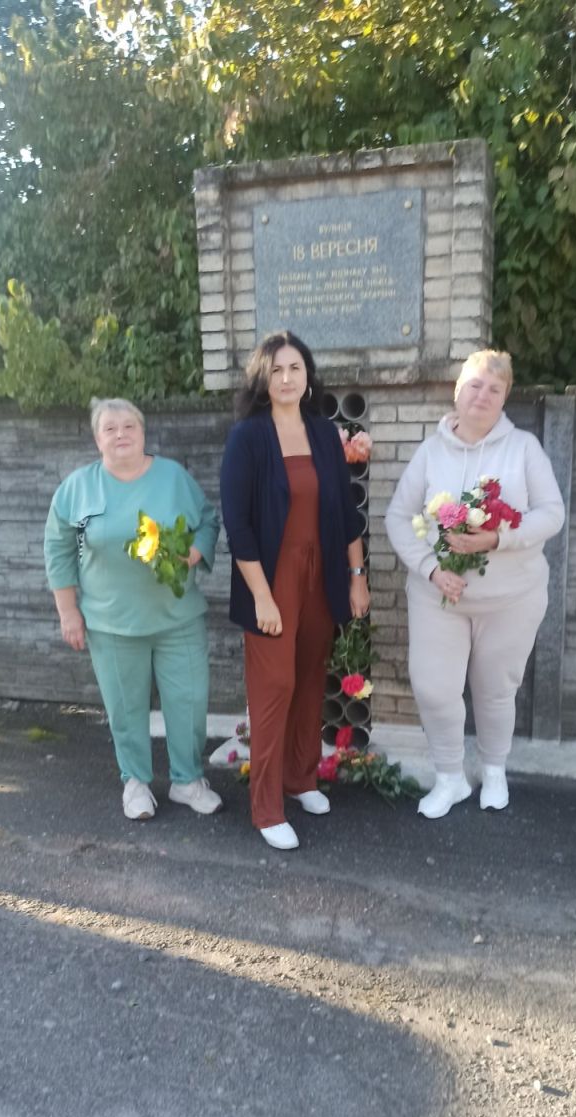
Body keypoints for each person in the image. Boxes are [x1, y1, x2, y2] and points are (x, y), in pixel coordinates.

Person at [385, 349, 565, 818]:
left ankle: (494, 770)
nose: (483, 395)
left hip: (511, 599)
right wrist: (430, 568)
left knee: (496, 689)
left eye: (495, 388)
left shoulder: (524, 448)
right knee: (433, 687)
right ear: (457, 391)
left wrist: (498, 538)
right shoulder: (430, 451)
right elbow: (398, 517)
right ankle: (450, 778)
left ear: (505, 398)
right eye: (475, 385)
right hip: (439, 597)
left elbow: (552, 513)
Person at [220, 331, 369, 851]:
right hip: (270, 577)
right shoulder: (248, 437)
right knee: (274, 687)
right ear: (262, 378)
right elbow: (237, 523)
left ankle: (301, 778)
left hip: (321, 574)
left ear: (308, 378)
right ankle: (266, 808)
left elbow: (345, 511)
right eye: (276, 369)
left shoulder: (324, 434)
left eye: (295, 368)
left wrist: (357, 576)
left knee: (309, 679)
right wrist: (262, 596)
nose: (286, 378)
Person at [44, 397, 222, 820]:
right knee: (125, 708)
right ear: (97, 438)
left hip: (178, 618)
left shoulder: (173, 478)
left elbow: (208, 520)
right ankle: (136, 783)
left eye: (129, 426)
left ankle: (188, 780)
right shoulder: (78, 489)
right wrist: (68, 612)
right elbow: (59, 549)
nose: (120, 434)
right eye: (110, 428)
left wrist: (196, 552)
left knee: (189, 701)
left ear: (143, 433)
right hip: (111, 623)